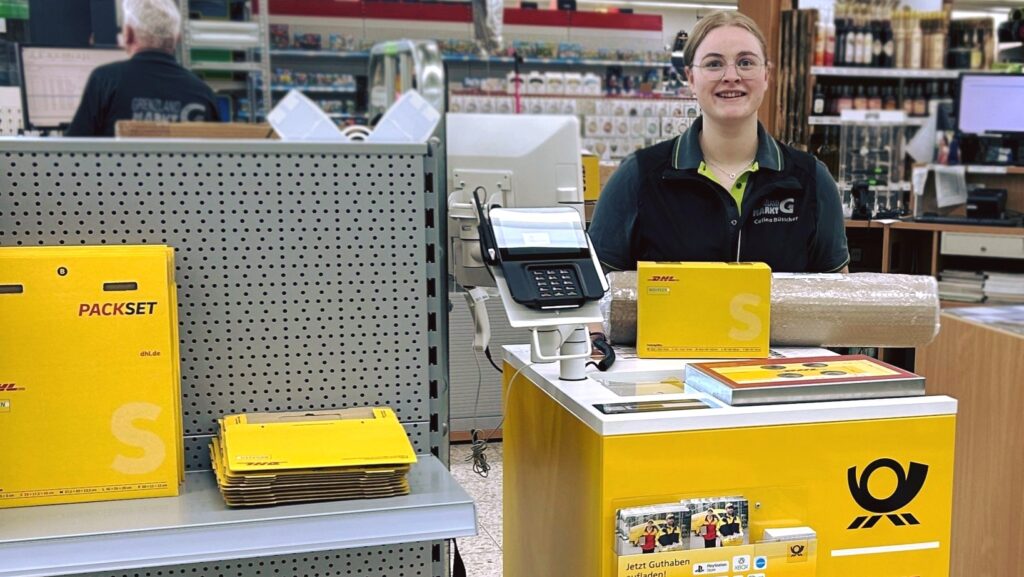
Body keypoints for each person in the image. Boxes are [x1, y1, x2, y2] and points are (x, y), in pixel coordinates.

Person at [588, 11, 849, 275]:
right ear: (691, 78)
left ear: (767, 75)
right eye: (714, 64)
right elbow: (598, 292)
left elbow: (837, 301)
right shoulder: (638, 176)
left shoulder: (812, 181)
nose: (731, 75)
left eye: (746, 62)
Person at [66, 0, 220, 137]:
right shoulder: (203, 93)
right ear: (177, 38)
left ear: (128, 34)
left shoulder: (105, 80)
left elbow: (68, 152)